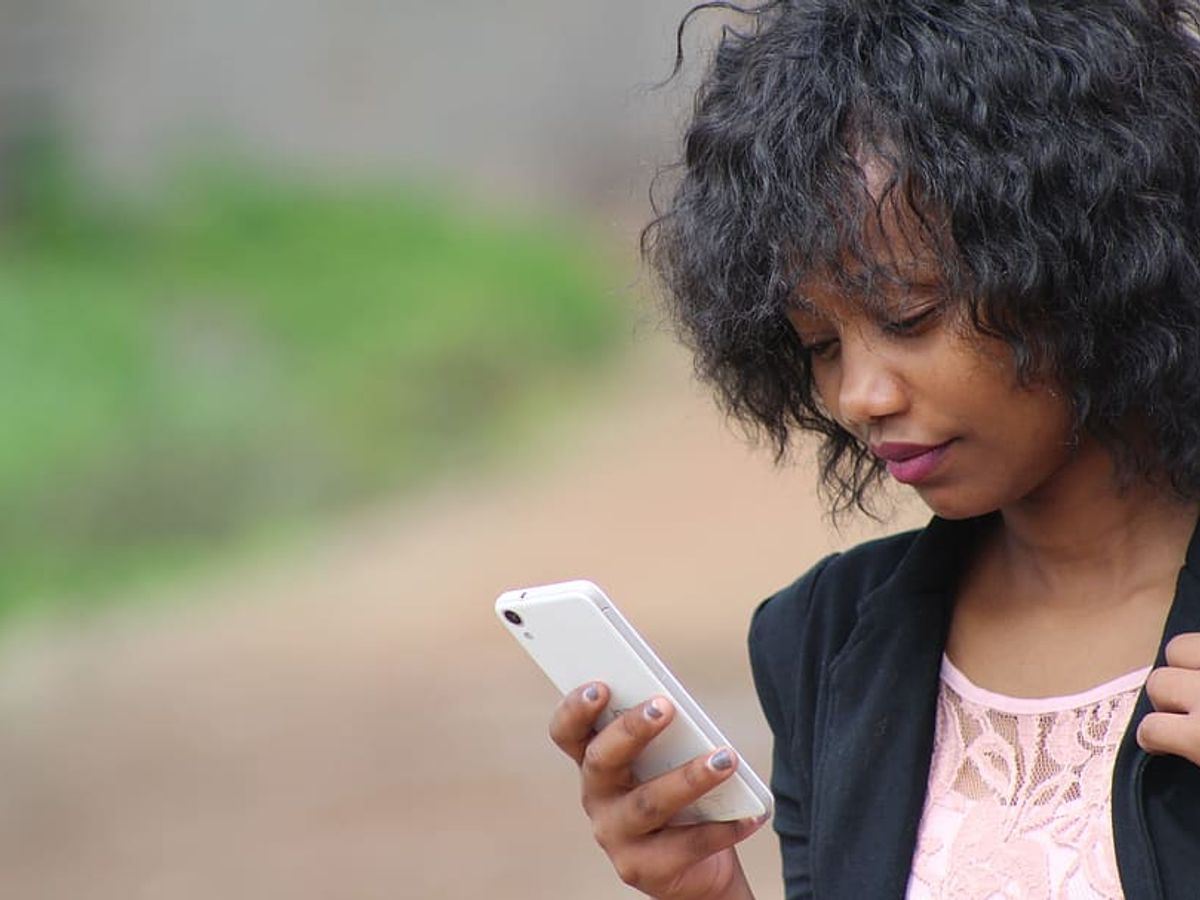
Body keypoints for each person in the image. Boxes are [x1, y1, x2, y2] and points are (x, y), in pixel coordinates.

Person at [547, 1, 1200, 898]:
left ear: (1088, 260)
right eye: (820, 345)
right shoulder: (823, 637)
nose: (863, 395)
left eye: (910, 316)